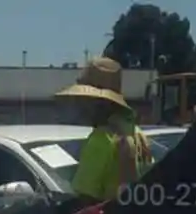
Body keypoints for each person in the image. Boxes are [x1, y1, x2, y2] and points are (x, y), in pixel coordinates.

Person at [57, 57, 154, 205]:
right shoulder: (137, 134)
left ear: (100, 103)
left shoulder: (101, 139)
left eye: (85, 99)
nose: (80, 105)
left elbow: (84, 201)